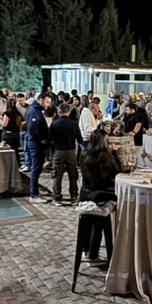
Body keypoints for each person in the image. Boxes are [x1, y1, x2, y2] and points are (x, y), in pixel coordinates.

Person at [79, 129, 122, 260]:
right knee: (100, 220)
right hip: (100, 196)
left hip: (86, 194)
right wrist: (115, 154)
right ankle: (93, 253)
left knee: (91, 221)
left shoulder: (84, 154)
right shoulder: (105, 157)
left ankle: (86, 250)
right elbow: (117, 173)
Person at [49, 103, 83, 205]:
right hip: (71, 152)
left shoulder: (54, 124)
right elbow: (80, 139)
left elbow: (50, 139)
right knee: (72, 175)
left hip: (58, 151)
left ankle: (57, 198)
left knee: (57, 175)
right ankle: (74, 197)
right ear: (68, 112)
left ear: (59, 112)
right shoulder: (73, 124)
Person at [26, 93, 53, 203]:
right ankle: (34, 194)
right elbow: (33, 129)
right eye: (47, 102)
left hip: (37, 143)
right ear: (41, 100)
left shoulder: (37, 110)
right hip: (36, 144)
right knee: (36, 168)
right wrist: (42, 139)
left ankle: (35, 190)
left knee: (38, 168)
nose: (48, 105)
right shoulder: (34, 111)